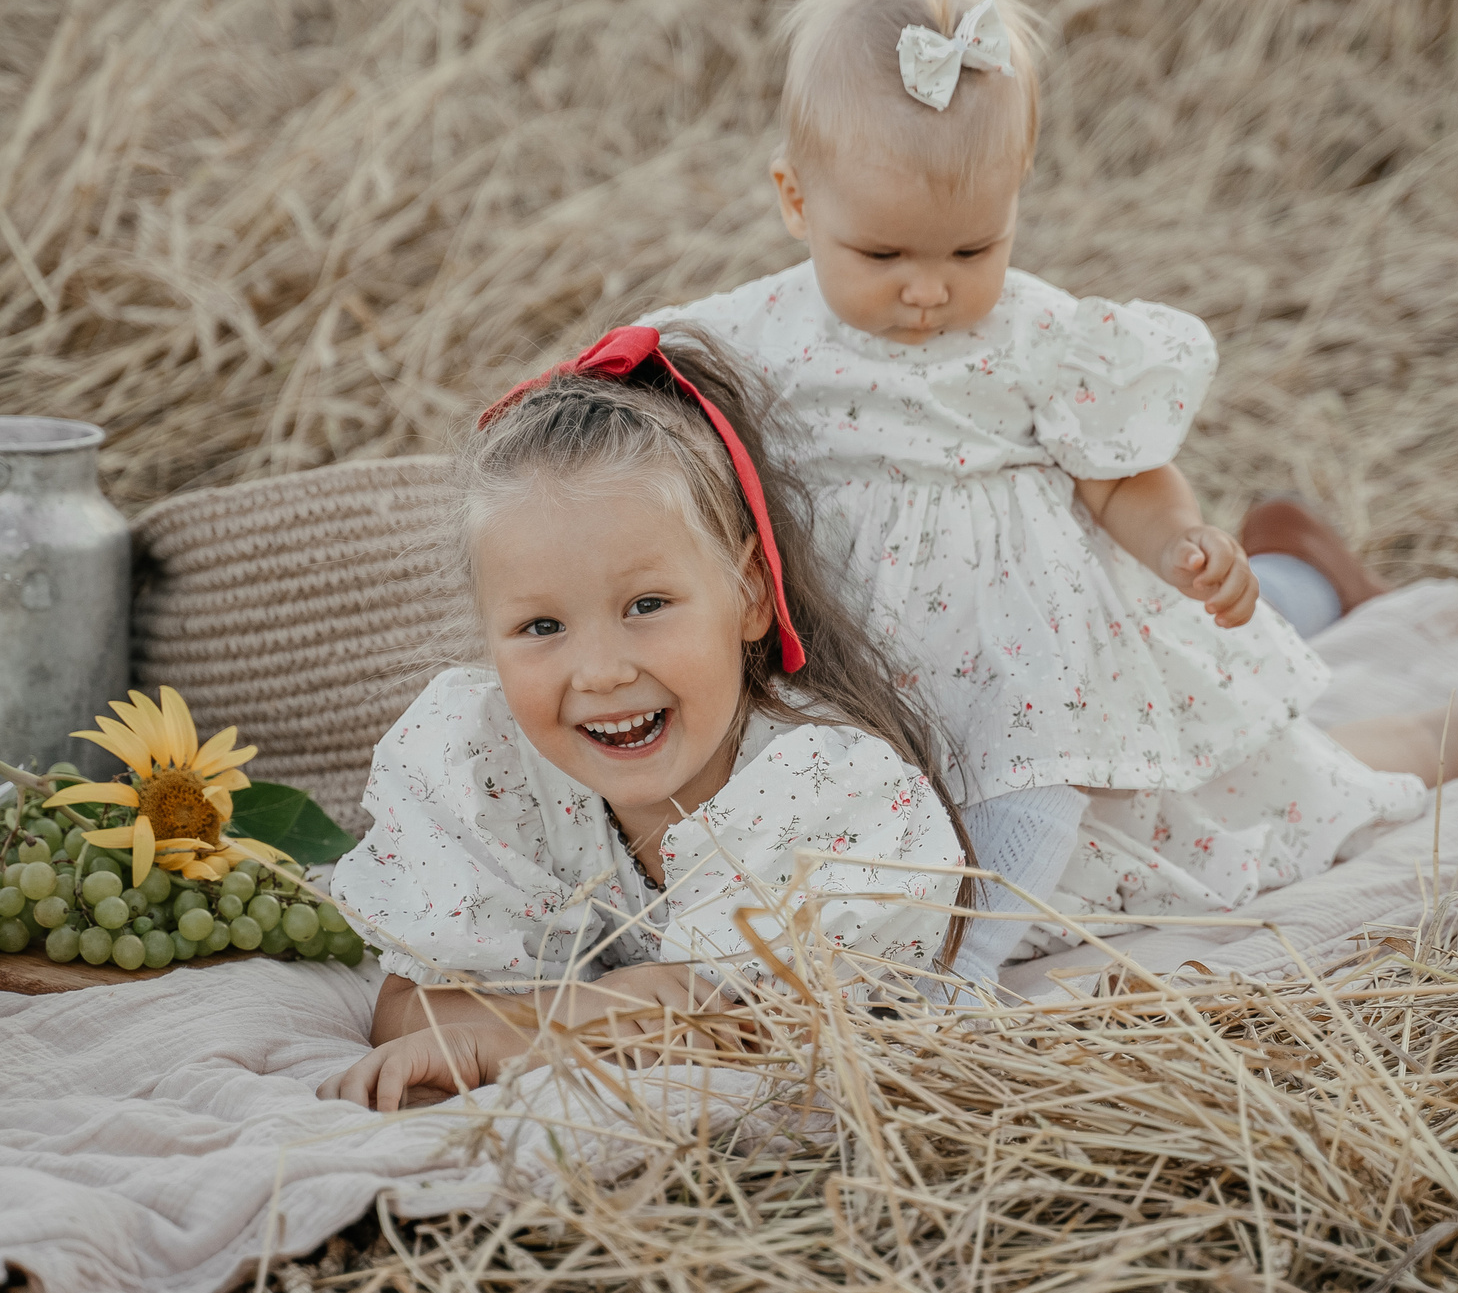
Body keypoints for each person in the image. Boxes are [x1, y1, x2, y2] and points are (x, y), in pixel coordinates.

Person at [646, 0, 1458, 983]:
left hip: (1063, 717)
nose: (929, 288)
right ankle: (1304, 578)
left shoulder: (1038, 340)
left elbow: (1122, 480)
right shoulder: (746, 340)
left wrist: (1184, 547)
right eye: (883, 252)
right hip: (876, 721)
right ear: (795, 203)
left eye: (974, 248)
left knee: (1394, 758)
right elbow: (624, 420)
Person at [318, 325, 978, 1111]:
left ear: (750, 595)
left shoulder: (826, 792)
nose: (600, 671)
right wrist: (593, 1009)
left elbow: (744, 1025)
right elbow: (410, 1006)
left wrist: (511, 1031)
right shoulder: (486, 768)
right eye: (541, 627)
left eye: (647, 605)